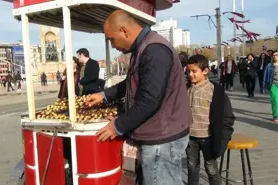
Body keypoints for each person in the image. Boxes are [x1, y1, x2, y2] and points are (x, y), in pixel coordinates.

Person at [85, 10, 192, 185]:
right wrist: (103, 95)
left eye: (111, 39)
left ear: (124, 31)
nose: (112, 45)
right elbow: (132, 82)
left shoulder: (154, 50)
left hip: (162, 138)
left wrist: (118, 126)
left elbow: (150, 100)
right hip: (160, 133)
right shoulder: (143, 47)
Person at [186, 54, 235, 185]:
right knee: (192, 167)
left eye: (194, 71)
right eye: (188, 71)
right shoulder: (186, 89)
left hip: (209, 138)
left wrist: (223, 137)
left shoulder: (215, 90)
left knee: (211, 169)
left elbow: (227, 117)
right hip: (191, 137)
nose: (190, 74)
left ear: (205, 71)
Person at [263, 50, 278, 123]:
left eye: (277, 55)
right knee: (275, 99)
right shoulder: (269, 65)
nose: (275, 56)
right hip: (273, 84)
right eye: (274, 55)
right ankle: (275, 115)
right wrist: (264, 86)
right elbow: (265, 76)